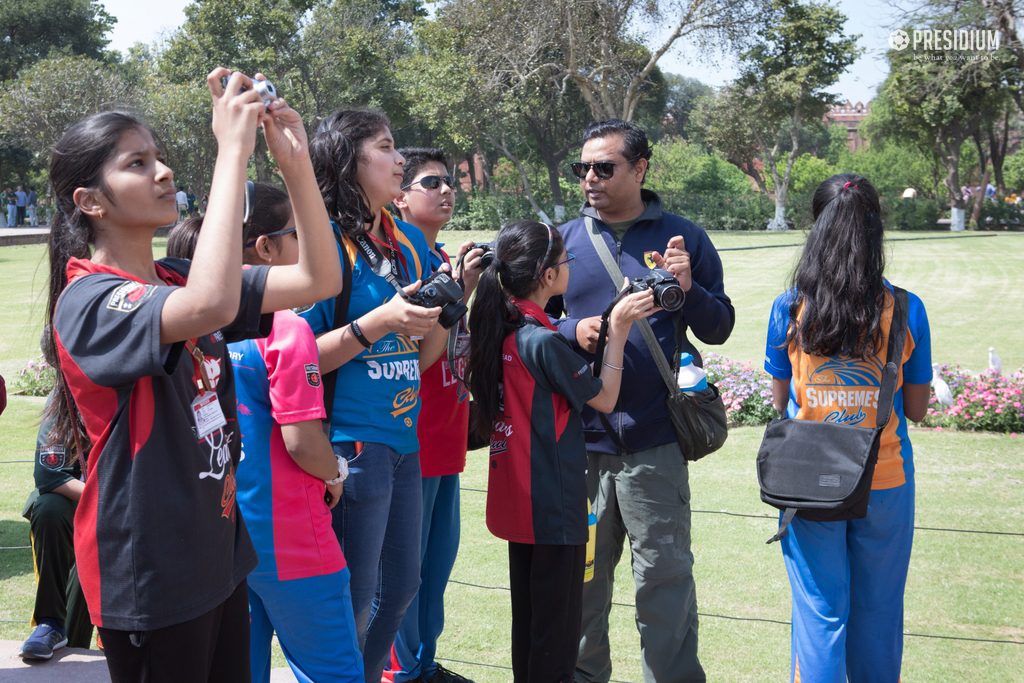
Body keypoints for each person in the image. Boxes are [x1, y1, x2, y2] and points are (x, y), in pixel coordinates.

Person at [43, 70, 342, 683]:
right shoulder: (90, 300)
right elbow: (210, 305)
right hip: (152, 570)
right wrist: (231, 150)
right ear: (90, 201)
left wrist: (295, 166)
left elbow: (319, 279)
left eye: (160, 157)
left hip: (216, 555)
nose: (162, 172)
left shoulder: (174, 277)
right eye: (137, 163)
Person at [545, 119, 734, 683]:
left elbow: (719, 326)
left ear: (641, 168)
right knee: (579, 591)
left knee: (665, 585)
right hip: (577, 445)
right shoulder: (561, 240)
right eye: (583, 169)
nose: (590, 179)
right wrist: (574, 329)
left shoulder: (683, 237)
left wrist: (689, 286)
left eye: (605, 167)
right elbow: (526, 322)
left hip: (656, 442)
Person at [168, 183, 364, 683]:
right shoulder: (283, 324)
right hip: (294, 537)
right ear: (267, 248)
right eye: (297, 234)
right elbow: (301, 440)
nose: (305, 246)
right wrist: (335, 471)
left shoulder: (185, 318)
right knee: (333, 672)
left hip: (223, 533)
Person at [467, 220, 654, 683]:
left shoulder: (503, 326)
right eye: (565, 262)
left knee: (530, 629)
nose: (570, 268)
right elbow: (605, 398)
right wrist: (619, 327)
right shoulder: (543, 340)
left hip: (518, 499)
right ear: (547, 276)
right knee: (556, 636)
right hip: (553, 504)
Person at [764, 173, 931, 683]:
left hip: (808, 484)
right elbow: (919, 409)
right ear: (876, 229)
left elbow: (781, 404)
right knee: (879, 616)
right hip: (884, 481)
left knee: (820, 615)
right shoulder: (906, 308)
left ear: (816, 228)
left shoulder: (790, 307)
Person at [304, 108, 450, 683]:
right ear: (349, 160)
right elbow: (298, 359)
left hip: (402, 438)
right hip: (347, 441)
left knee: (402, 589)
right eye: (386, 148)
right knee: (355, 591)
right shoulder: (321, 243)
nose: (401, 160)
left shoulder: (406, 240)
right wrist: (379, 322)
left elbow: (424, 356)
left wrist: (442, 307)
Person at [385, 148, 480, 683]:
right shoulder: (395, 262)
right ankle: (398, 670)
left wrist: (463, 285)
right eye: (430, 182)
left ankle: (421, 664)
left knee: (436, 568)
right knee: (404, 571)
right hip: (407, 435)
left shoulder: (443, 258)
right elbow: (410, 354)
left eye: (449, 182)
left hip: (446, 435)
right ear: (400, 196)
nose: (445, 190)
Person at [19, 391, 93, 660]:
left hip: (136, 504)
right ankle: (50, 623)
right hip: (83, 498)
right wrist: (105, 498)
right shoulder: (65, 397)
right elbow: (49, 476)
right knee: (49, 508)